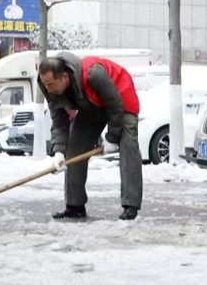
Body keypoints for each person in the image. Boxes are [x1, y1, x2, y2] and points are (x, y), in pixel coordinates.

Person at [38, 53, 142, 221]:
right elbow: (59, 123)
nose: (48, 89)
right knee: (75, 146)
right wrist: (59, 151)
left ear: (65, 77)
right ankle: (75, 206)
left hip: (120, 99)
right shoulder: (49, 88)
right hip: (92, 104)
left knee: (128, 147)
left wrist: (112, 137)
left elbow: (115, 106)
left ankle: (131, 206)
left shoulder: (94, 74)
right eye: (45, 85)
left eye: (51, 84)